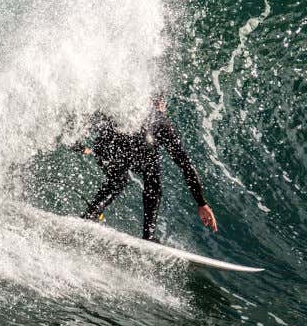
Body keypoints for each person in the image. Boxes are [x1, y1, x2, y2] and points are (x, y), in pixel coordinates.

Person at [81, 95, 218, 242]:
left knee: (118, 180)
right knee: (153, 180)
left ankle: (91, 214)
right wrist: (201, 203)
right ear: (159, 103)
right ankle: (149, 236)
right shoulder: (161, 121)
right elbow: (185, 165)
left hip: (105, 144)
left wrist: (80, 146)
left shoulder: (121, 107)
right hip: (139, 143)